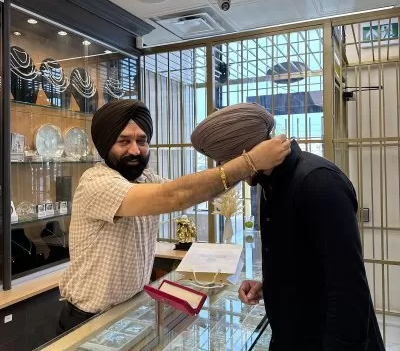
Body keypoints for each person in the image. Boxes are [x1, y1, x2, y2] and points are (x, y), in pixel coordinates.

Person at [57, 99, 290, 334]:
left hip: (126, 312)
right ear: (106, 144)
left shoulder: (145, 179)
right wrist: (249, 162)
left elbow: (195, 192)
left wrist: (238, 160)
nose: (135, 150)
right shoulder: (96, 183)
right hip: (87, 318)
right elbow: (174, 196)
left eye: (141, 141)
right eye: (124, 142)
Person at [191, 102, 385, 351]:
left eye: (225, 162)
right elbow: (304, 259)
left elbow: (348, 289)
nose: (226, 172)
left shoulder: (319, 181)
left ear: (245, 152)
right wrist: (270, 286)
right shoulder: (269, 184)